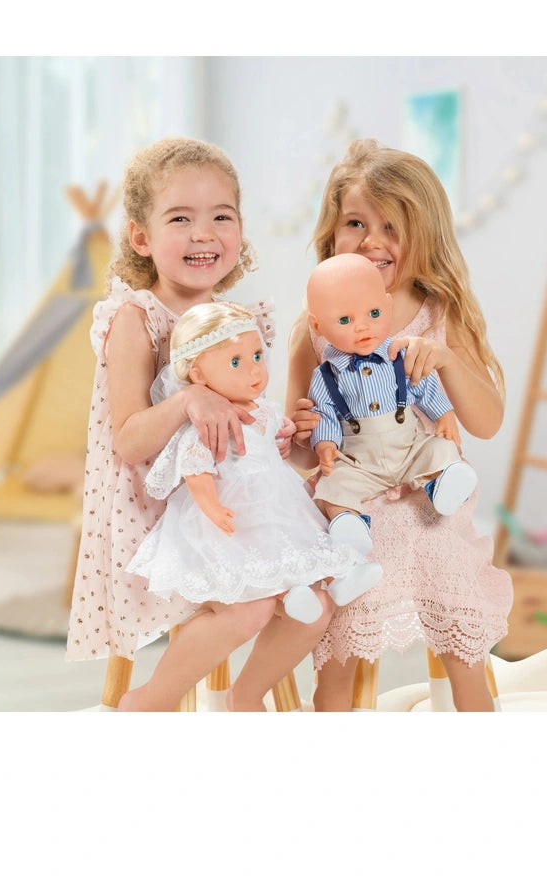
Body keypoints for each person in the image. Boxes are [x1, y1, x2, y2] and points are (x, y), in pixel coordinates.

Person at [66, 135, 333, 712]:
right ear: (141, 237)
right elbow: (128, 438)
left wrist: (280, 437)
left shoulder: (237, 320)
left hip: (234, 503)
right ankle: (150, 701)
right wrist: (191, 399)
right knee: (251, 607)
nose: (204, 234)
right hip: (159, 510)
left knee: (319, 599)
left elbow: (242, 425)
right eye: (180, 218)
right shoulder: (137, 318)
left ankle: (245, 696)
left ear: (240, 229)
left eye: (221, 217)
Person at [285, 138, 513, 712]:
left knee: (456, 605)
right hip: (355, 506)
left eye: (392, 226)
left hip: (428, 499)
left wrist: (448, 362)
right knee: (343, 622)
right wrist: (304, 435)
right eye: (355, 223)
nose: (373, 241)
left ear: (424, 234)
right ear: (332, 234)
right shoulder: (314, 330)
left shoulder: (441, 314)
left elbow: (486, 422)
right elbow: (303, 457)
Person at [126, 300, 382, 625]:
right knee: (258, 549)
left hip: (279, 493)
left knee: (301, 539)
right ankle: (287, 593)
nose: (255, 370)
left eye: (258, 356)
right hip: (237, 498)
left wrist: (286, 434)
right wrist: (212, 507)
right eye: (236, 362)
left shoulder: (264, 408)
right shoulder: (210, 421)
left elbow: (273, 437)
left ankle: (340, 579)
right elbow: (196, 467)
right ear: (198, 374)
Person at [305, 252, 478, 553]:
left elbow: (424, 385)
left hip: (409, 448)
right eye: (345, 320)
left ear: (387, 306)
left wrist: (445, 414)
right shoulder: (325, 375)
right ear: (317, 325)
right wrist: (325, 444)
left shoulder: (399, 355)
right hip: (360, 462)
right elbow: (323, 412)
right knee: (333, 485)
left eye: (373, 313)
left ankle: (443, 486)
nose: (363, 327)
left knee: (440, 448)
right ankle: (350, 524)